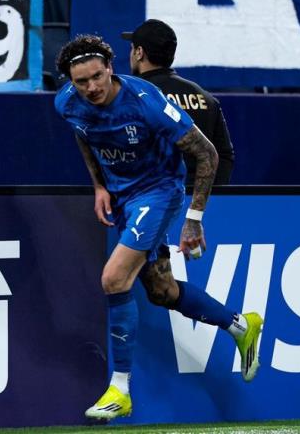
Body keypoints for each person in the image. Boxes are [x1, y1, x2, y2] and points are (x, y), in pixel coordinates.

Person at [54, 34, 263, 421]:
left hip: (158, 192)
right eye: (82, 82)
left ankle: (120, 388)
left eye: (98, 76)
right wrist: (99, 185)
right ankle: (240, 325)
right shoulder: (67, 103)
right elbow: (84, 136)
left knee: (114, 279)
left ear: (110, 68)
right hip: (122, 198)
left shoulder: (145, 101)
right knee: (161, 291)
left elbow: (207, 153)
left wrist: (194, 218)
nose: (92, 87)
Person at [121, 19, 235, 185]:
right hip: (199, 198)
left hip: (154, 196)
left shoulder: (131, 97)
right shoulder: (206, 98)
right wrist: (210, 195)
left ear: (139, 53)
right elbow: (224, 156)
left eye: (132, 49)